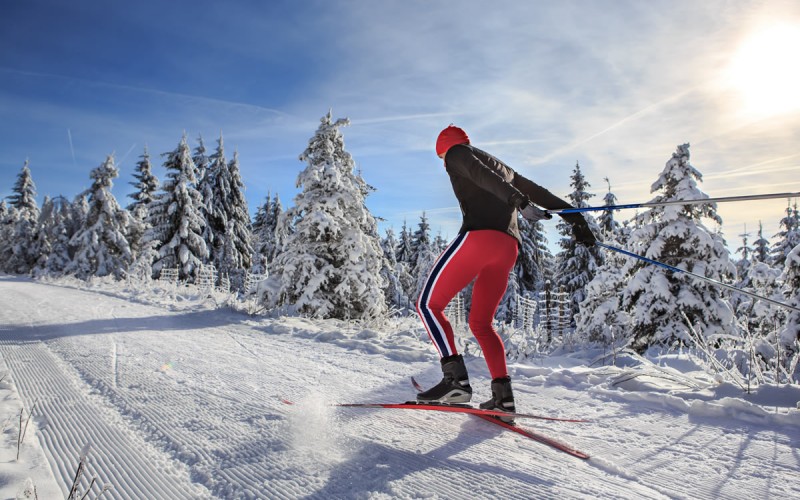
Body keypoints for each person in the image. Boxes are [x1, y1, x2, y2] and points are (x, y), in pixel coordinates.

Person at [415, 125, 596, 422]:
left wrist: (519, 203)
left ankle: (455, 382)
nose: (445, 165)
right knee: (482, 323)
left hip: (479, 238)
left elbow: (481, 176)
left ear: (443, 150)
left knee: (428, 305)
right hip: (507, 248)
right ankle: (503, 398)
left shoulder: (457, 154)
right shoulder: (502, 166)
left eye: (442, 159)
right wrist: (574, 218)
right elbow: (538, 191)